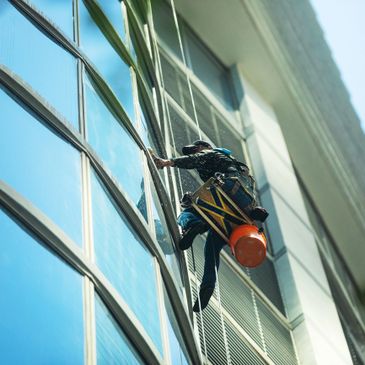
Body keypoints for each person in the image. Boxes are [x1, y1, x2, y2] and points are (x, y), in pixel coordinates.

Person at [151, 140, 267, 312]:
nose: (195, 152)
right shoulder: (236, 166)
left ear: (205, 147)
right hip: (242, 207)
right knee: (212, 247)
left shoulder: (212, 154)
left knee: (189, 211)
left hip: (227, 188)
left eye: (196, 149)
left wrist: (165, 163)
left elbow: (194, 159)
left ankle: (193, 225)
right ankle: (208, 285)